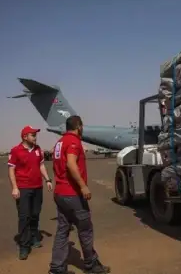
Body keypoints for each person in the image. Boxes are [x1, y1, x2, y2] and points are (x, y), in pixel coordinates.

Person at [49, 116, 110, 274]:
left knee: (63, 230)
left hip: (60, 193)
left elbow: (58, 166)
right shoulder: (74, 141)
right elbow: (70, 163)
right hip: (72, 194)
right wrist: (83, 186)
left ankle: (57, 268)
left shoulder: (59, 142)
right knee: (85, 229)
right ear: (79, 126)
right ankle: (92, 265)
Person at [7, 125, 53, 260]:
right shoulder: (16, 151)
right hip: (23, 188)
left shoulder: (38, 149)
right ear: (25, 137)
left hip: (37, 187)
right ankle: (24, 246)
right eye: (33, 135)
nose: (35, 137)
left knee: (35, 214)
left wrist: (48, 179)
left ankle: (33, 237)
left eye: (35, 134)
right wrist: (15, 187)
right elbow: (11, 170)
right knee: (24, 216)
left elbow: (41, 165)